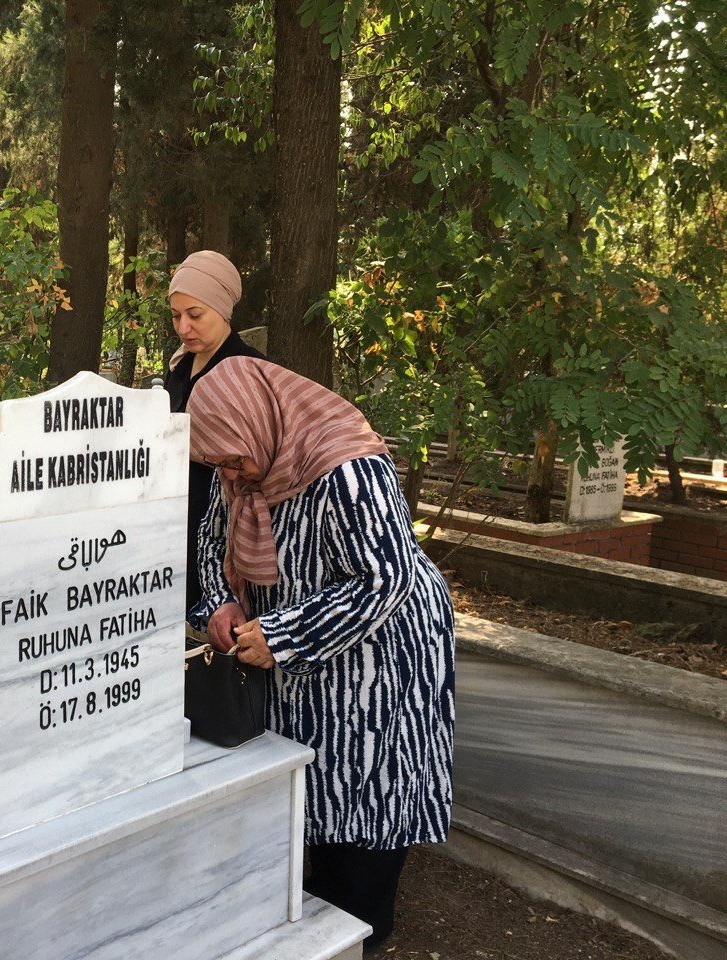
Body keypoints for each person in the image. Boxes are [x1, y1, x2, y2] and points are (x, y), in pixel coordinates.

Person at [186, 356, 455, 948]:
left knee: (370, 788)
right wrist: (221, 604)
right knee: (310, 782)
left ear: (261, 420)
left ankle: (361, 932)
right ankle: (317, 921)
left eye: (235, 458)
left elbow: (383, 578)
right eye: (219, 463)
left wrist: (282, 635)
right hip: (297, 656)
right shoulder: (242, 472)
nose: (230, 473)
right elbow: (210, 544)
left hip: (382, 656)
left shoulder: (347, 467)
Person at [163, 250, 265, 614]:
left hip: (217, 520)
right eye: (176, 316)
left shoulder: (250, 369)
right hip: (173, 511)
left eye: (195, 315)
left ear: (222, 309)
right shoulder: (180, 365)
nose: (183, 328)